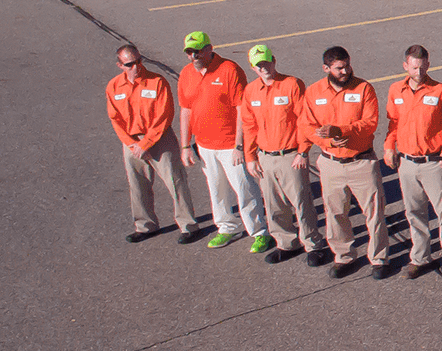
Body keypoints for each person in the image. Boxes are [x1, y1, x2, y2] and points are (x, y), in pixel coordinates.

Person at [301, 46, 394, 280]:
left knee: (374, 212)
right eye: (339, 68)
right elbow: (306, 127)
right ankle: (344, 256)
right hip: (331, 163)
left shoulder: (363, 88)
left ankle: (379, 257)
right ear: (326, 68)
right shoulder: (313, 92)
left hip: (361, 161)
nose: (345, 71)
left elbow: (371, 122)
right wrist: (329, 142)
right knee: (335, 213)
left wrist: (342, 130)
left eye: (347, 65)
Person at [176, 32, 268, 253]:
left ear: (209, 48)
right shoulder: (187, 73)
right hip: (204, 145)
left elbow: (241, 110)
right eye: (189, 52)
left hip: (229, 145)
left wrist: (239, 145)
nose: (193, 56)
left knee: (244, 188)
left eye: (197, 50)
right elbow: (185, 110)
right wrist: (185, 145)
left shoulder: (229, 70)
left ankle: (259, 232)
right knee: (216, 190)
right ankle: (228, 227)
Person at [240, 44, 330, 266]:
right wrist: (250, 157)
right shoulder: (250, 91)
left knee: (301, 202)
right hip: (265, 158)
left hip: (291, 156)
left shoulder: (291, 85)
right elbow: (249, 126)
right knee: (273, 204)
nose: (264, 68)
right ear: (253, 67)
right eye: (259, 65)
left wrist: (303, 151)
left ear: (274, 60)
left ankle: (313, 244)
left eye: (267, 62)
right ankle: (286, 242)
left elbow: (304, 120)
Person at [105, 44, 201, 244]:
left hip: (159, 140)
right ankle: (145, 226)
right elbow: (115, 119)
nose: (136, 67)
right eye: (130, 64)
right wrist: (132, 144)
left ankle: (188, 225)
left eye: (139, 61)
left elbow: (164, 115)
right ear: (120, 65)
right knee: (137, 185)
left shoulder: (157, 82)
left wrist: (146, 143)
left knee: (176, 181)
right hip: (131, 142)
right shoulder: (114, 87)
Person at [386, 45, 442, 280]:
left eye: (423, 66)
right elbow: (393, 123)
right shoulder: (396, 90)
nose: (419, 71)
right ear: (406, 66)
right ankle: (420, 257)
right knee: (414, 212)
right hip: (406, 162)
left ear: (428, 65)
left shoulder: (440, 91)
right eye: (415, 66)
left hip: (433, 162)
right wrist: (388, 147)